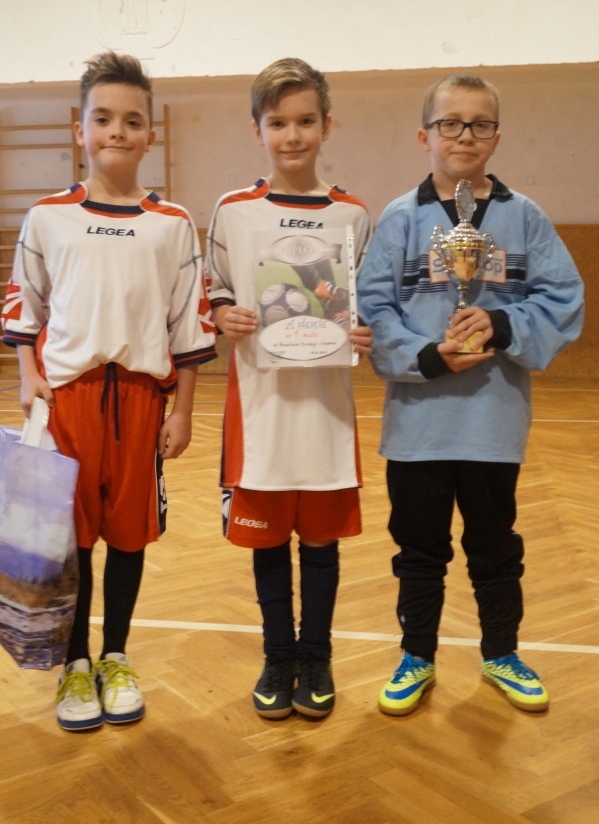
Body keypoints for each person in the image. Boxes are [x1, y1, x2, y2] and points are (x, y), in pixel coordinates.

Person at [1, 51, 217, 731]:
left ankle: (116, 656)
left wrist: (183, 412)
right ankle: (75, 663)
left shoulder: (171, 223)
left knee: (128, 537)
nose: (116, 131)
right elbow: (24, 305)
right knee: (73, 542)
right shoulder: (47, 217)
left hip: (142, 403)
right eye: (102, 118)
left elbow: (189, 324)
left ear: (150, 134)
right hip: (68, 403)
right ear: (80, 129)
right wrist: (29, 376)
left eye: (131, 120)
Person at [357, 72, 584, 717]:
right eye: (450, 123)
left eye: (480, 124)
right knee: (418, 550)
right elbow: (375, 307)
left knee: (495, 547)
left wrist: (501, 323)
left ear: (496, 137)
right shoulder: (400, 218)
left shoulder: (524, 216)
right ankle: (416, 656)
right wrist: (429, 356)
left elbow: (563, 299)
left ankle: (501, 652)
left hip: (492, 421)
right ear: (424, 135)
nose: (465, 136)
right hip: (418, 424)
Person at [206, 57, 372, 720]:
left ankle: (317, 656)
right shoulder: (232, 210)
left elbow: (365, 303)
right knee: (269, 543)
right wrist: (223, 314)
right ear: (258, 130)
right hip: (261, 410)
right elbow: (213, 291)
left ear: (327, 125)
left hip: (326, 410)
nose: (292, 135)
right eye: (278, 123)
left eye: (305, 121)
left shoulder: (352, 214)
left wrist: (364, 331)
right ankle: (278, 656)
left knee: (322, 544)